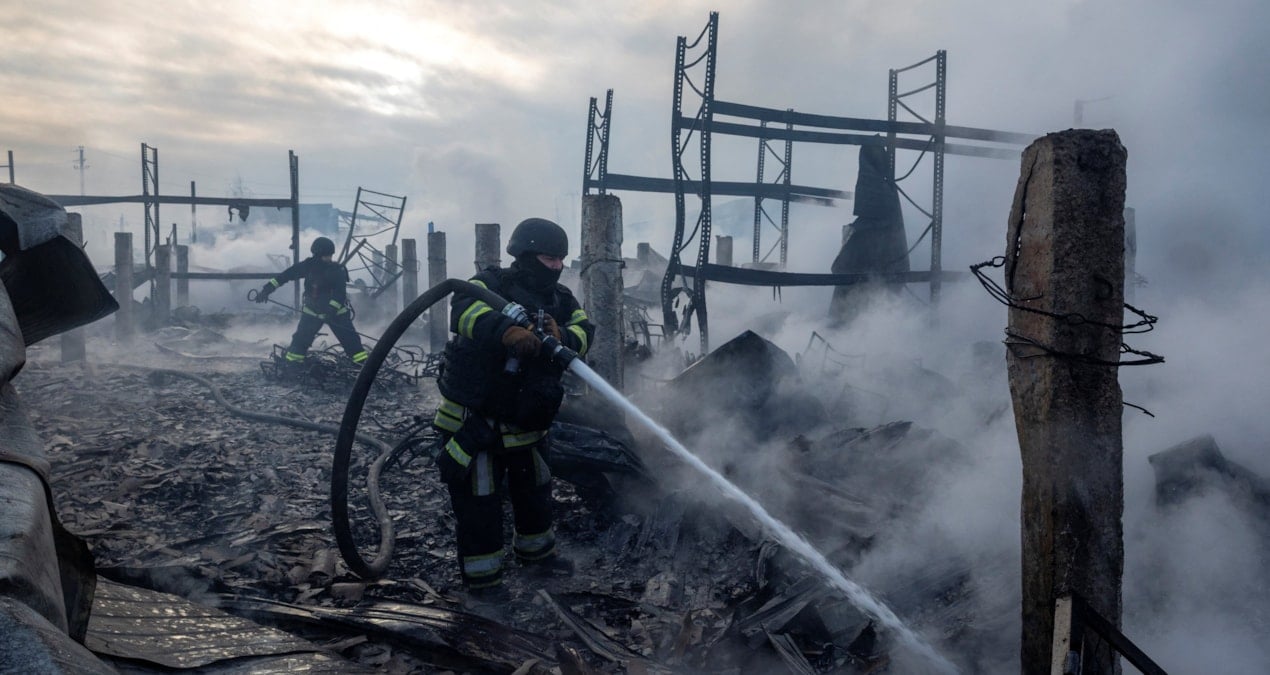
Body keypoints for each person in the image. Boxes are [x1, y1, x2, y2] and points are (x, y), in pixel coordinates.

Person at [432, 217, 594, 597]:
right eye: (548, 258)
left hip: (526, 423)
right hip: (477, 422)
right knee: (480, 502)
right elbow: (463, 313)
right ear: (524, 254)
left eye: (560, 260)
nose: (555, 266)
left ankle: (538, 559)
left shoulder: (561, 299)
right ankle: (484, 583)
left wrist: (562, 335)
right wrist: (505, 331)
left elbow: (586, 331)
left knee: (535, 491)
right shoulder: (489, 285)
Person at [255, 236, 369, 367]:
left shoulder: (337, 270)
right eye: (326, 256)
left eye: (330, 256)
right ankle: (293, 367)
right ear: (317, 254)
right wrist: (267, 289)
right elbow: (285, 276)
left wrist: (331, 309)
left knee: (352, 343)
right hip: (312, 312)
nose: (329, 259)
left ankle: (362, 367)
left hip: (337, 314)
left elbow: (340, 293)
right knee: (299, 342)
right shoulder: (307, 266)